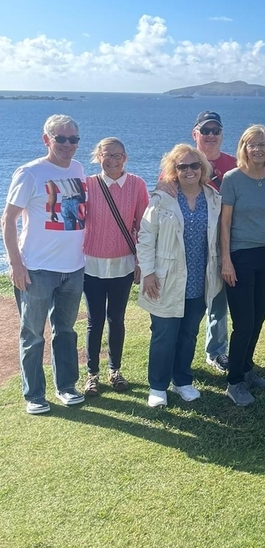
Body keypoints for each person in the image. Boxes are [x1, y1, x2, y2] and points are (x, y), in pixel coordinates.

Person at [1, 115, 87, 414]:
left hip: (73, 268)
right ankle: (34, 395)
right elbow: (8, 220)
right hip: (37, 269)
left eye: (72, 139)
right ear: (46, 139)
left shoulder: (78, 169)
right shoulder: (30, 173)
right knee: (33, 334)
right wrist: (16, 263)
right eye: (60, 138)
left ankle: (66, 386)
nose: (67, 144)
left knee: (65, 331)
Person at [137, 145, 222, 408]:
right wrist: (148, 272)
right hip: (166, 278)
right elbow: (146, 236)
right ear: (174, 170)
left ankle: (182, 381)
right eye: (182, 166)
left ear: (202, 168)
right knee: (164, 334)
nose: (189, 171)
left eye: (194, 165)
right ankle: (158, 386)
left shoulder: (213, 198)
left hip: (200, 277)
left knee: (189, 333)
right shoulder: (162, 199)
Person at [220, 125, 265, 406]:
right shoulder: (232, 179)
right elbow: (224, 223)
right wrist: (226, 259)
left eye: (263, 144)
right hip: (240, 256)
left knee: (258, 318)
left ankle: (247, 369)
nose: (258, 149)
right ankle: (234, 381)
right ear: (244, 148)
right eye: (252, 144)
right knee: (244, 322)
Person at [82, 138, 149, 396]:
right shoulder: (87, 185)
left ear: (125, 157)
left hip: (123, 263)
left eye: (118, 155)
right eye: (107, 155)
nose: (112, 160)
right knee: (94, 320)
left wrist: (142, 262)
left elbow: (143, 227)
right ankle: (92, 375)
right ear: (98, 156)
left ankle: (115, 370)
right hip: (91, 263)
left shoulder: (137, 184)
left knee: (116, 319)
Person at [191, 112, 235, 373]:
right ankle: (182, 351)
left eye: (215, 130)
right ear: (194, 134)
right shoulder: (184, 161)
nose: (210, 135)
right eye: (205, 130)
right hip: (191, 244)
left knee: (219, 302)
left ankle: (216, 352)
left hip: (223, 243)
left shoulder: (233, 163)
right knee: (191, 303)